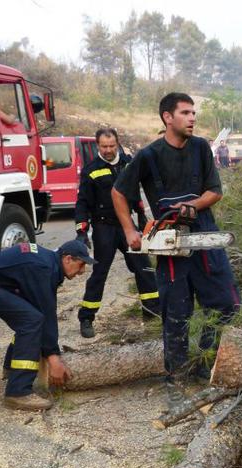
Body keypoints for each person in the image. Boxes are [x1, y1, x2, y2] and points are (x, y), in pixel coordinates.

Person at [111, 92, 242, 389]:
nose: (192, 118)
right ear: (167, 117)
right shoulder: (149, 155)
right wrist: (130, 231)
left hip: (203, 233)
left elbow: (215, 191)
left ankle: (206, 364)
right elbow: (118, 192)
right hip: (169, 240)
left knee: (226, 303)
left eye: (193, 113)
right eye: (185, 113)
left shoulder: (201, 148)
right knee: (176, 312)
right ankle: (177, 374)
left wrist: (192, 205)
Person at [0, 239, 93, 411]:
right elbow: (47, 313)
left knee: (30, 317)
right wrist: (54, 359)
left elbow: (46, 309)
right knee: (31, 320)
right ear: (68, 259)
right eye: (81, 264)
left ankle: (11, 368)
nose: (82, 271)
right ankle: (18, 392)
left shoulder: (48, 264)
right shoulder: (43, 268)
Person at [75, 128, 160, 338]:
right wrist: (81, 231)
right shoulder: (91, 170)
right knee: (100, 273)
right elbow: (82, 203)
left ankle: (152, 313)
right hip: (103, 228)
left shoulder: (128, 164)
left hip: (127, 226)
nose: (108, 150)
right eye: (104, 146)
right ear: (97, 145)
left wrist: (141, 214)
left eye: (112, 146)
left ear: (117, 143)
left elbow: (135, 191)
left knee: (143, 267)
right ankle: (86, 318)